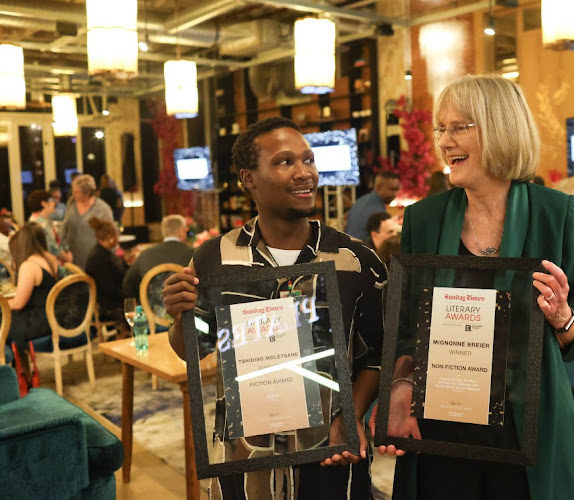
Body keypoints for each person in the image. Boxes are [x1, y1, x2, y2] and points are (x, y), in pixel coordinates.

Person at [372, 74, 574, 499]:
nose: (444, 141)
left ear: (500, 129)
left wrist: (563, 318)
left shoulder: (557, 211)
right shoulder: (424, 217)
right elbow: (405, 328)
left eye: (459, 128)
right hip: (441, 416)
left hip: (524, 422)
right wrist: (399, 385)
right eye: (441, 129)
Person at [163, 117, 387, 499]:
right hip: (247, 457)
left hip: (329, 457)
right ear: (249, 179)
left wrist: (352, 416)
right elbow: (193, 350)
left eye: (308, 160)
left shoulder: (354, 259)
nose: (304, 173)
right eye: (285, 162)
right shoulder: (215, 260)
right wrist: (180, 316)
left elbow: (381, 353)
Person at [7, 223, 59, 351]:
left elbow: (19, 303)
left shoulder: (29, 265)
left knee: (4, 322)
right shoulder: (51, 258)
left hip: (40, 323)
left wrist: (4, 303)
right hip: (54, 316)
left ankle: (9, 364)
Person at [122, 214, 193, 299]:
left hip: (151, 310)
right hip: (186, 309)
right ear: (181, 231)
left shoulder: (145, 254)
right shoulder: (193, 255)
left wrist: (145, 301)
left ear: (164, 232)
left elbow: (127, 286)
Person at [62, 174, 114, 268]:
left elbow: (110, 235)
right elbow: (64, 228)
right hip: (73, 258)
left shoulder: (103, 209)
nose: (73, 194)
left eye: (77, 192)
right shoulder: (71, 204)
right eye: (73, 191)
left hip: (94, 260)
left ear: (88, 192)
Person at [85, 217, 127, 322]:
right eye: (117, 234)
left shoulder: (102, 252)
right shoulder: (99, 258)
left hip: (112, 298)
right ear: (110, 238)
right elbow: (110, 290)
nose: (119, 237)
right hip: (110, 306)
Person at [345, 171, 400, 240]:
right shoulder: (376, 209)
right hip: (364, 248)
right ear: (378, 187)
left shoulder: (362, 200)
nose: (395, 194)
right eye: (391, 189)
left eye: (396, 190)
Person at [27, 189, 72, 263]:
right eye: (52, 200)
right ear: (44, 203)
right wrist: (67, 257)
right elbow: (52, 248)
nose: (55, 202)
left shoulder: (36, 220)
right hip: (49, 263)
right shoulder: (41, 224)